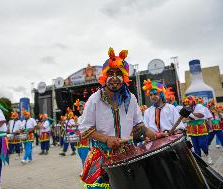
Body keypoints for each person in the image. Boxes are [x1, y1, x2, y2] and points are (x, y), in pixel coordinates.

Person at [79, 47, 166, 189]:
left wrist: (155, 135)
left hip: (127, 153)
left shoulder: (131, 99)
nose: (114, 77)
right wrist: (107, 139)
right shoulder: (94, 99)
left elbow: (139, 126)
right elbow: (85, 129)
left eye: (119, 74)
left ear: (125, 77)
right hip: (102, 157)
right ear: (104, 76)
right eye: (110, 73)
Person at [183, 96, 213, 164]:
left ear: (193, 101)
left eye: (189, 101)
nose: (187, 103)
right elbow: (184, 119)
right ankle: (199, 162)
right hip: (192, 129)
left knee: (202, 144)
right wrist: (186, 118)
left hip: (201, 127)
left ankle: (207, 155)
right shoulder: (186, 108)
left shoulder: (199, 106)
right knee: (196, 147)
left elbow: (201, 115)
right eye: (186, 102)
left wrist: (191, 112)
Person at [74, 99, 90, 165]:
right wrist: (75, 124)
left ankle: (85, 172)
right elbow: (77, 130)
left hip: (86, 139)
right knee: (80, 154)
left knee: (84, 157)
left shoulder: (88, 117)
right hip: (79, 140)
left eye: (82, 109)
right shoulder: (79, 118)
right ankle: (84, 170)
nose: (81, 111)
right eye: (80, 109)